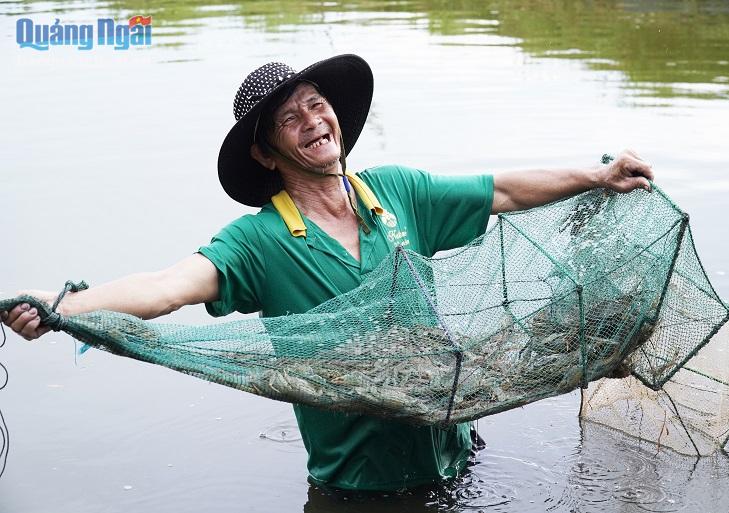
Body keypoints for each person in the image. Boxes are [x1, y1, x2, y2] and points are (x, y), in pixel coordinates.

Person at [1, 54, 653, 491]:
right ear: (266, 151)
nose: (314, 120)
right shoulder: (256, 243)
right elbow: (168, 285)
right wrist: (62, 305)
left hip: (456, 459)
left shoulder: (397, 192)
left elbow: (502, 190)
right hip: (360, 490)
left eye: (317, 105)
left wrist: (597, 175)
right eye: (291, 117)